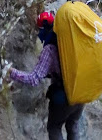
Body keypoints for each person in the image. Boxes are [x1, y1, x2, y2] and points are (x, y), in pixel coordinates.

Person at [10, 11, 84, 140]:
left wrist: (11, 72)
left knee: (54, 128)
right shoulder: (72, 43)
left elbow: (33, 79)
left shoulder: (49, 50)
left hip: (63, 96)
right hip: (82, 92)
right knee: (72, 126)